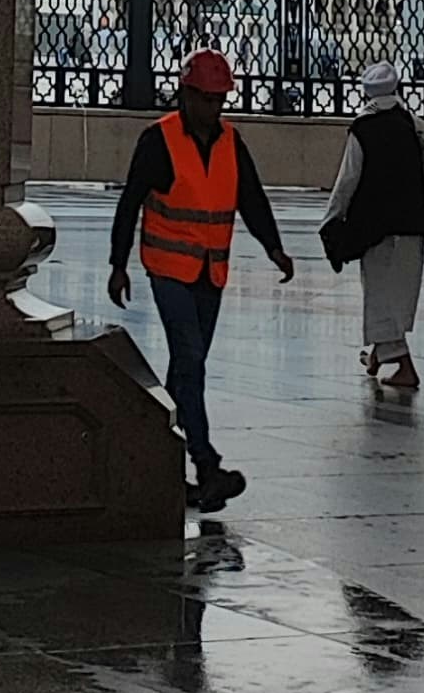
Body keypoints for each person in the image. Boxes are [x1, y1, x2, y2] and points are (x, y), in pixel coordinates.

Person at [109, 47, 294, 509]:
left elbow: (250, 198)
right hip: (168, 269)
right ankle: (207, 464)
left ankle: (154, 461)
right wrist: (117, 265)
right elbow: (130, 201)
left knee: (185, 370)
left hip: (211, 272)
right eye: (207, 99)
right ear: (186, 95)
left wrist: (274, 248)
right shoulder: (160, 140)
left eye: (219, 100)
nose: (214, 108)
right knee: (190, 357)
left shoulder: (232, 143)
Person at [320, 58, 424, 393]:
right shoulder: (416, 124)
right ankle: (378, 357)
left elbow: (347, 180)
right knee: (398, 297)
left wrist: (332, 220)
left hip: (375, 228)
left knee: (379, 295)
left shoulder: (363, 127)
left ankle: (404, 366)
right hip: (413, 227)